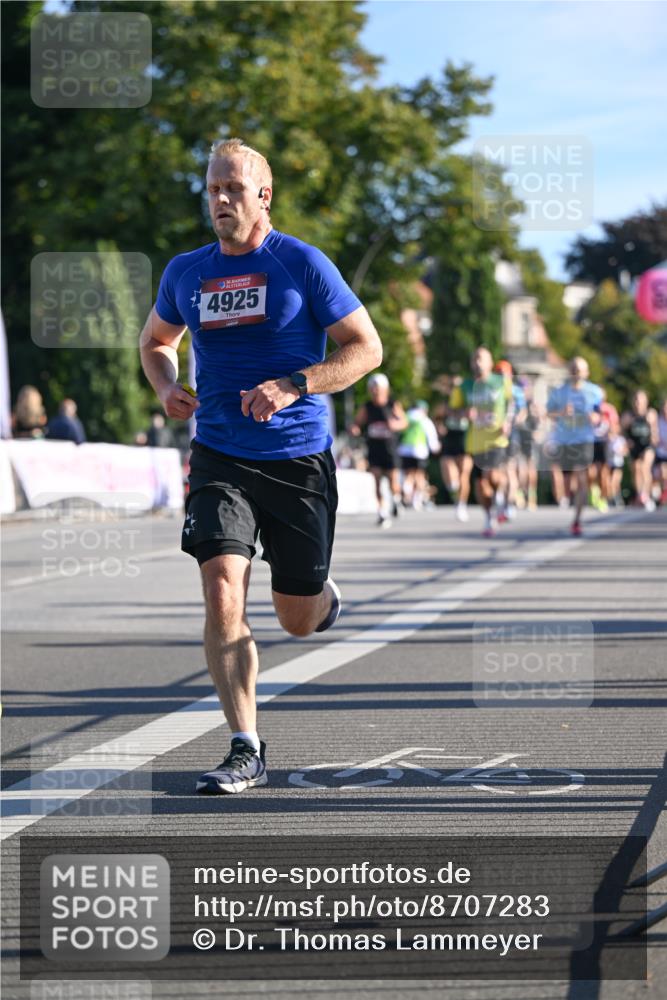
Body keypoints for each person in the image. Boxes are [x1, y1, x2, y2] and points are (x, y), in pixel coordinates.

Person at [139, 138, 382, 794]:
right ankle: (245, 745)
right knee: (222, 586)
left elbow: (366, 348)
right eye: (212, 189)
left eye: (233, 188)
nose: (220, 199)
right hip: (219, 454)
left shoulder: (301, 263)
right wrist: (165, 386)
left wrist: (297, 384)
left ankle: (321, 597)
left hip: (297, 458)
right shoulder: (187, 272)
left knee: (296, 618)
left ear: (263, 196)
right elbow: (156, 340)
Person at [449, 347, 514, 538]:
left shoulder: (501, 382)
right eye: (474, 359)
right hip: (475, 441)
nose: (478, 363)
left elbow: (512, 403)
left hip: (496, 438)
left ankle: (501, 496)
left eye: (481, 359)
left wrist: (508, 421)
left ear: (490, 362)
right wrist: (464, 413)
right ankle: (489, 518)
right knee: (480, 484)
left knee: (492, 475)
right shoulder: (464, 386)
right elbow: (451, 410)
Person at [546, 357, 602, 535]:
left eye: (580, 370)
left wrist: (595, 418)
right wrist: (561, 413)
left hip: (584, 440)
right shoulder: (559, 392)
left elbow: (600, 414)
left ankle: (577, 520)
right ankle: (570, 498)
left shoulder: (594, 392)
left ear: (586, 373)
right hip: (564, 440)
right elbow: (548, 413)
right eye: (573, 369)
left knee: (582, 477)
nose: (576, 373)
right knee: (568, 483)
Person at [348, 373, 407, 528]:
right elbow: (357, 422)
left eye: (377, 388)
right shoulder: (367, 406)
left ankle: (396, 500)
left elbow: (404, 422)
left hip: (390, 448)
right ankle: (382, 513)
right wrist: (355, 428)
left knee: (393, 481)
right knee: (377, 481)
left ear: (385, 389)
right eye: (372, 388)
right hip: (374, 448)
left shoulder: (392, 404)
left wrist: (395, 425)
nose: (375, 391)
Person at [435, 375, 473, 521]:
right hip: (450, 437)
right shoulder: (445, 404)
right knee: (450, 472)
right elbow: (437, 418)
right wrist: (439, 428)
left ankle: (461, 505)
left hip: (465, 437)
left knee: (464, 473)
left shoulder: (469, 402)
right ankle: (454, 491)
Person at [397, 400, 440, 509]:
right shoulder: (424, 419)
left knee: (408, 474)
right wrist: (435, 447)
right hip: (420, 451)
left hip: (404, 449)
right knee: (419, 475)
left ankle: (406, 493)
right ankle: (417, 499)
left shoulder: (406, 416)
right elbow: (431, 435)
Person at [622, 389, 657, 510]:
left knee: (645, 467)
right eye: (636, 399)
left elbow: (655, 433)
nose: (638, 402)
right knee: (636, 469)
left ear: (646, 401)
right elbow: (622, 431)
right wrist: (627, 441)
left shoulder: (650, 413)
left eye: (641, 400)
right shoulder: (628, 415)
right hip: (634, 445)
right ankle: (639, 495)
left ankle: (646, 494)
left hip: (647, 445)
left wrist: (652, 429)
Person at [653, 397, 667, 506]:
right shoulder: (658, 420)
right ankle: (663, 492)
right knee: (662, 472)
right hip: (661, 452)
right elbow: (655, 435)